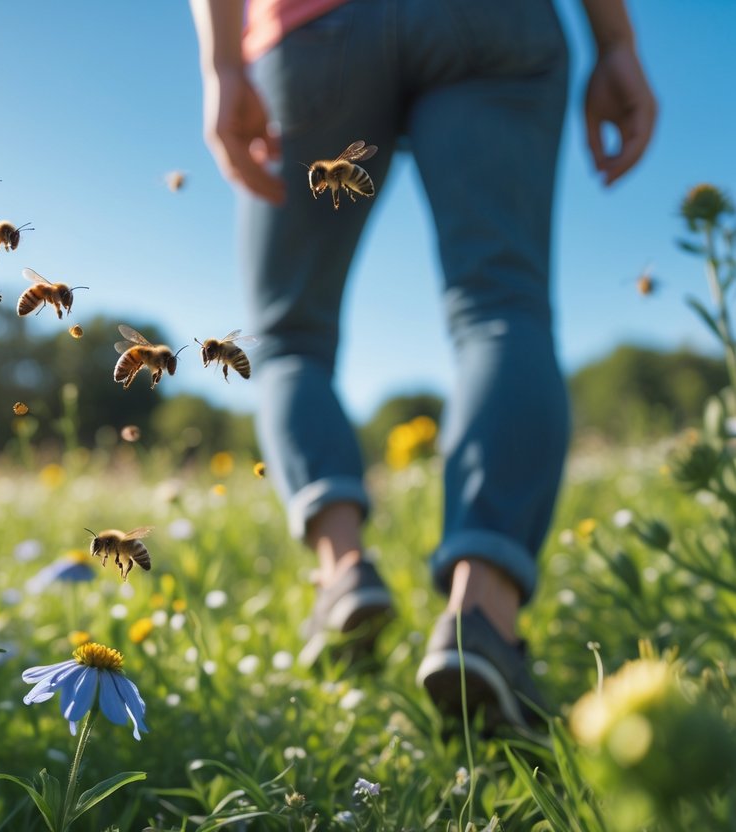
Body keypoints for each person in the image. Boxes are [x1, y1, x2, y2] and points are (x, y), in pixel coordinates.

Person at [189, 0, 656, 730]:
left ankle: (343, 573)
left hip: (311, 30)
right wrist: (615, 39)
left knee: (287, 339)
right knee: (500, 307)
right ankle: (483, 621)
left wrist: (221, 64)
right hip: (494, 26)